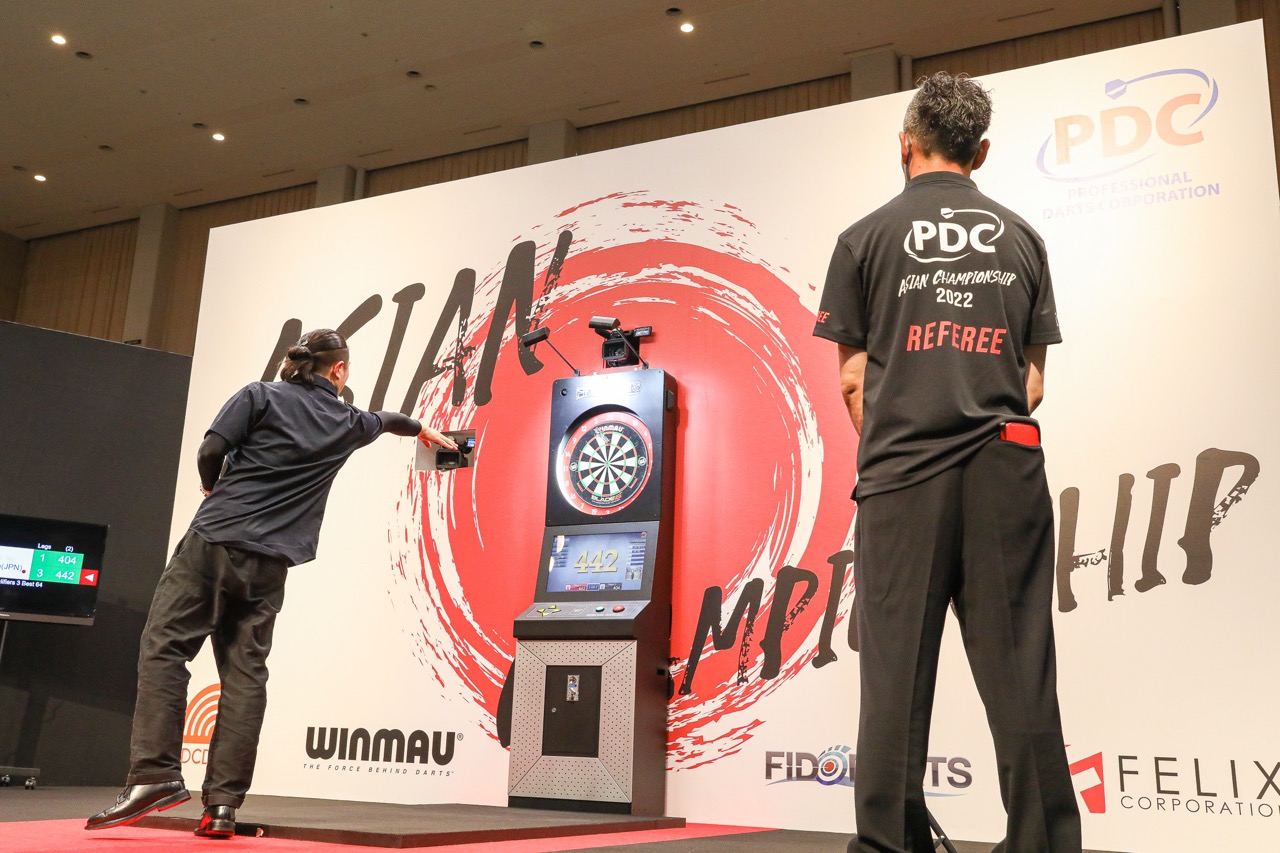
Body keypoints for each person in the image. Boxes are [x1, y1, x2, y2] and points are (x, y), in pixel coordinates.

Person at [813, 72, 1082, 853]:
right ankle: (1043, 843)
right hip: (1007, 468)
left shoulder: (864, 238)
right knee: (1021, 666)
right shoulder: (1022, 238)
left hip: (903, 472)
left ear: (905, 144)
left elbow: (853, 379)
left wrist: (905, 436)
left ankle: (891, 844)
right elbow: (1031, 382)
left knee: (895, 674)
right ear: (980, 152)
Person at [87, 328, 456, 838]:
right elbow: (388, 419)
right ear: (339, 370)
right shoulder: (348, 422)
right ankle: (222, 806)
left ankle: (155, 777)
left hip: (214, 542)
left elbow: (211, 450)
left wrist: (213, 488)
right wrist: (421, 429)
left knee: (164, 649)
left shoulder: (260, 395)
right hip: (270, 564)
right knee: (245, 675)